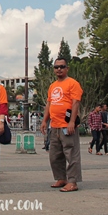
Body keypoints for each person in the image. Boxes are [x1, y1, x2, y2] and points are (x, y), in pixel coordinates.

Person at [40, 57, 83, 193]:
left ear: (67, 68)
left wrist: (71, 122)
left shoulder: (73, 83)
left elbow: (75, 103)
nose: (59, 69)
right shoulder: (53, 86)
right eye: (56, 67)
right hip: (55, 126)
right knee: (55, 155)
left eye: (62, 66)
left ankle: (72, 181)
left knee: (71, 154)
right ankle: (61, 178)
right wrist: (44, 120)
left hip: (67, 126)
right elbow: (49, 104)